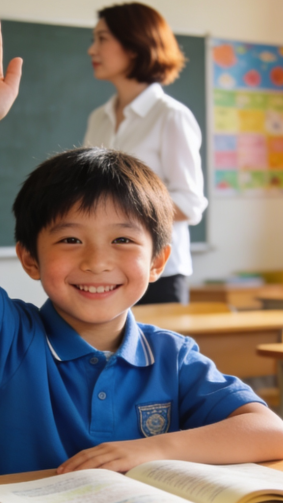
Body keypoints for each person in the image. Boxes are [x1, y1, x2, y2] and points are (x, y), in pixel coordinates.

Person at [0, 8, 283, 478]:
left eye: (122, 239)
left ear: (159, 261)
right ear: (30, 258)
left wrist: (150, 450)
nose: (97, 262)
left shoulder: (172, 356)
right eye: (71, 239)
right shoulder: (12, 342)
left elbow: (271, 434)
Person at [84, 2, 207, 304]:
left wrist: (120, 204)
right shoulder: (98, 118)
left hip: (157, 273)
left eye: (102, 39)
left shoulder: (171, 116)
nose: (92, 50)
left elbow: (190, 204)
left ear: (134, 46)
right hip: (103, 270)